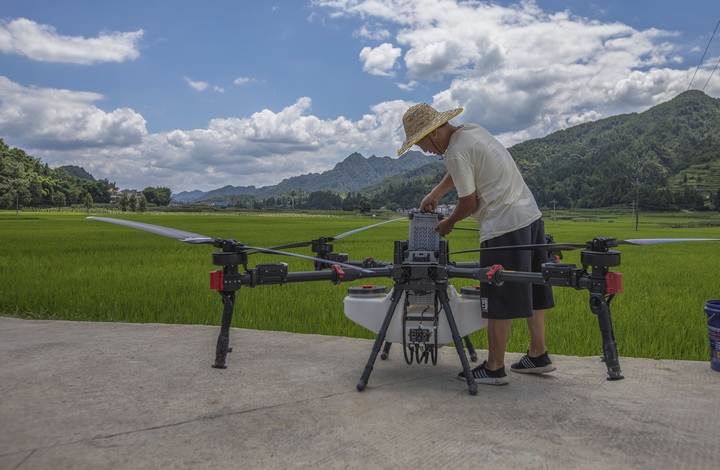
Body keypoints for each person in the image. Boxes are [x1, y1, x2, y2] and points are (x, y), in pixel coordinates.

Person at [397, 102, 555, 385]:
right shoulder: (471, 132)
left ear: (433, 133)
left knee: (498, 294)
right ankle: (538, 354)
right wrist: (435, 193)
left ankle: (494, 368)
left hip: (503, 226)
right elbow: (460, 171)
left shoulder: (455, 152)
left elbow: (468, 202)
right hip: (530, 216)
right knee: (534, 286)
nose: (424, 151)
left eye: (421, 144)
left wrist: (449, 223)